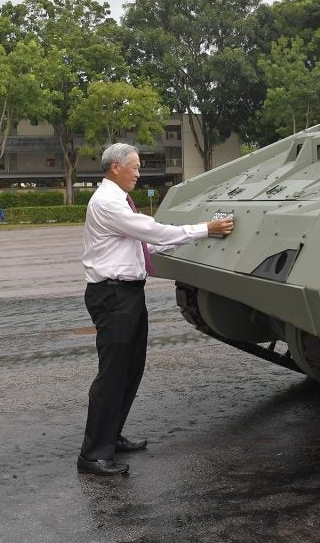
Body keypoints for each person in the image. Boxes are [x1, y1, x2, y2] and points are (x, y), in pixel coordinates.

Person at [77, 143, 234, 476]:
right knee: (112, 374)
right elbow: (154, 232)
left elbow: (149, 237)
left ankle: (110, 436)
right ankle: (92, 456)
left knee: (131, 368)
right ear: (115, 167)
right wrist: (206, 228)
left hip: (128, 294)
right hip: (113, 296)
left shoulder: (118, 200)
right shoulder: (107, 203)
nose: (138, 172)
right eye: (134, 167)